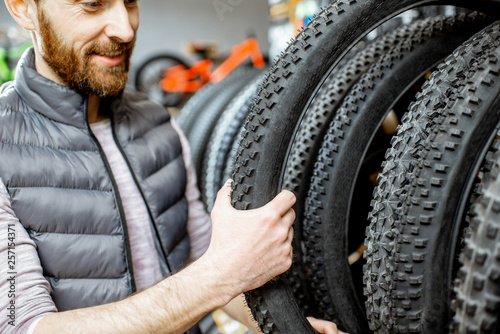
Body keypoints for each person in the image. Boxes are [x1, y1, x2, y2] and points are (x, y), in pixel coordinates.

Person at [0, 0, 345, 333]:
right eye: (93, 3)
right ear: (22, 8)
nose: (125, 28)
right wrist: (221, 272)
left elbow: (198, 259)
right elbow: (26, 326)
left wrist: (281, 325)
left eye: (131, 1)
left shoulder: (158, 122)